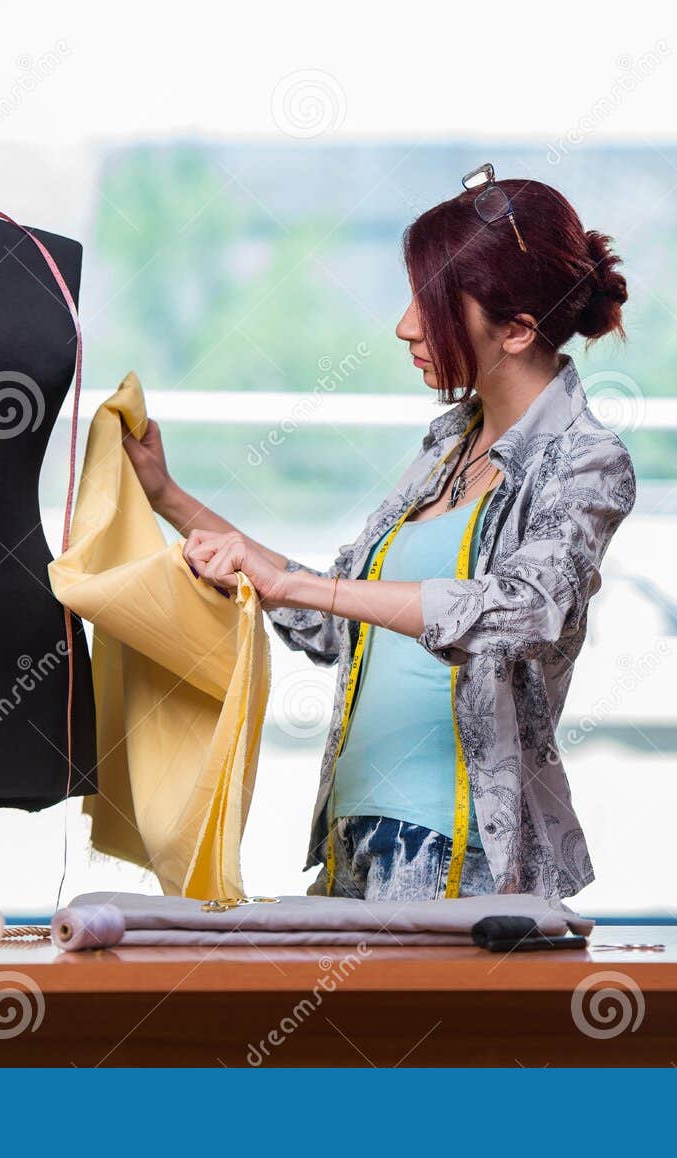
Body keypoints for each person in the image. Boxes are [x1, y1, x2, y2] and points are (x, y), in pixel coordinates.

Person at [124, 164, 635, 901]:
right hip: (359, 837)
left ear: (518, 330)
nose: (404, 325)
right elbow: (332, 619)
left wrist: (302, 584)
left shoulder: (588, 462)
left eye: (431, 304)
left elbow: (522, 608)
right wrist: (167, 497)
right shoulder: (445, 450)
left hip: (464, 857)